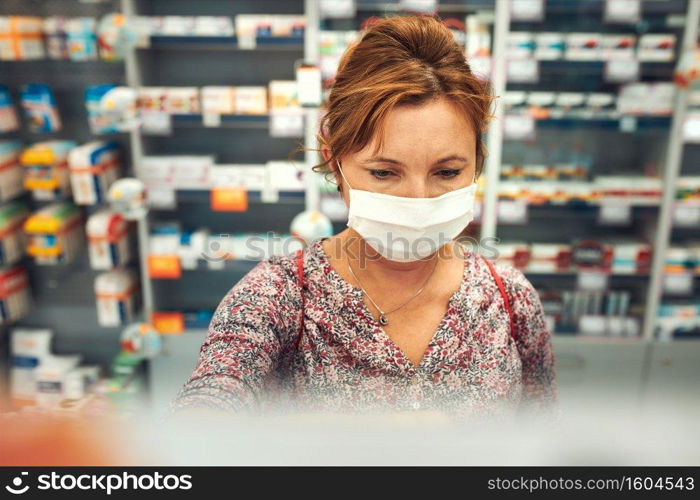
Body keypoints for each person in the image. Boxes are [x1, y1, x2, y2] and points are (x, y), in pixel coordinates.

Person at [168, 14, 558, 422]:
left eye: (446, 172)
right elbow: (212, 398)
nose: (418, 201)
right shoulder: (278, 299)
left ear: (477, 165)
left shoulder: (510, 298)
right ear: (334, 164)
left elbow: (543, 440)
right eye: (384, 172)